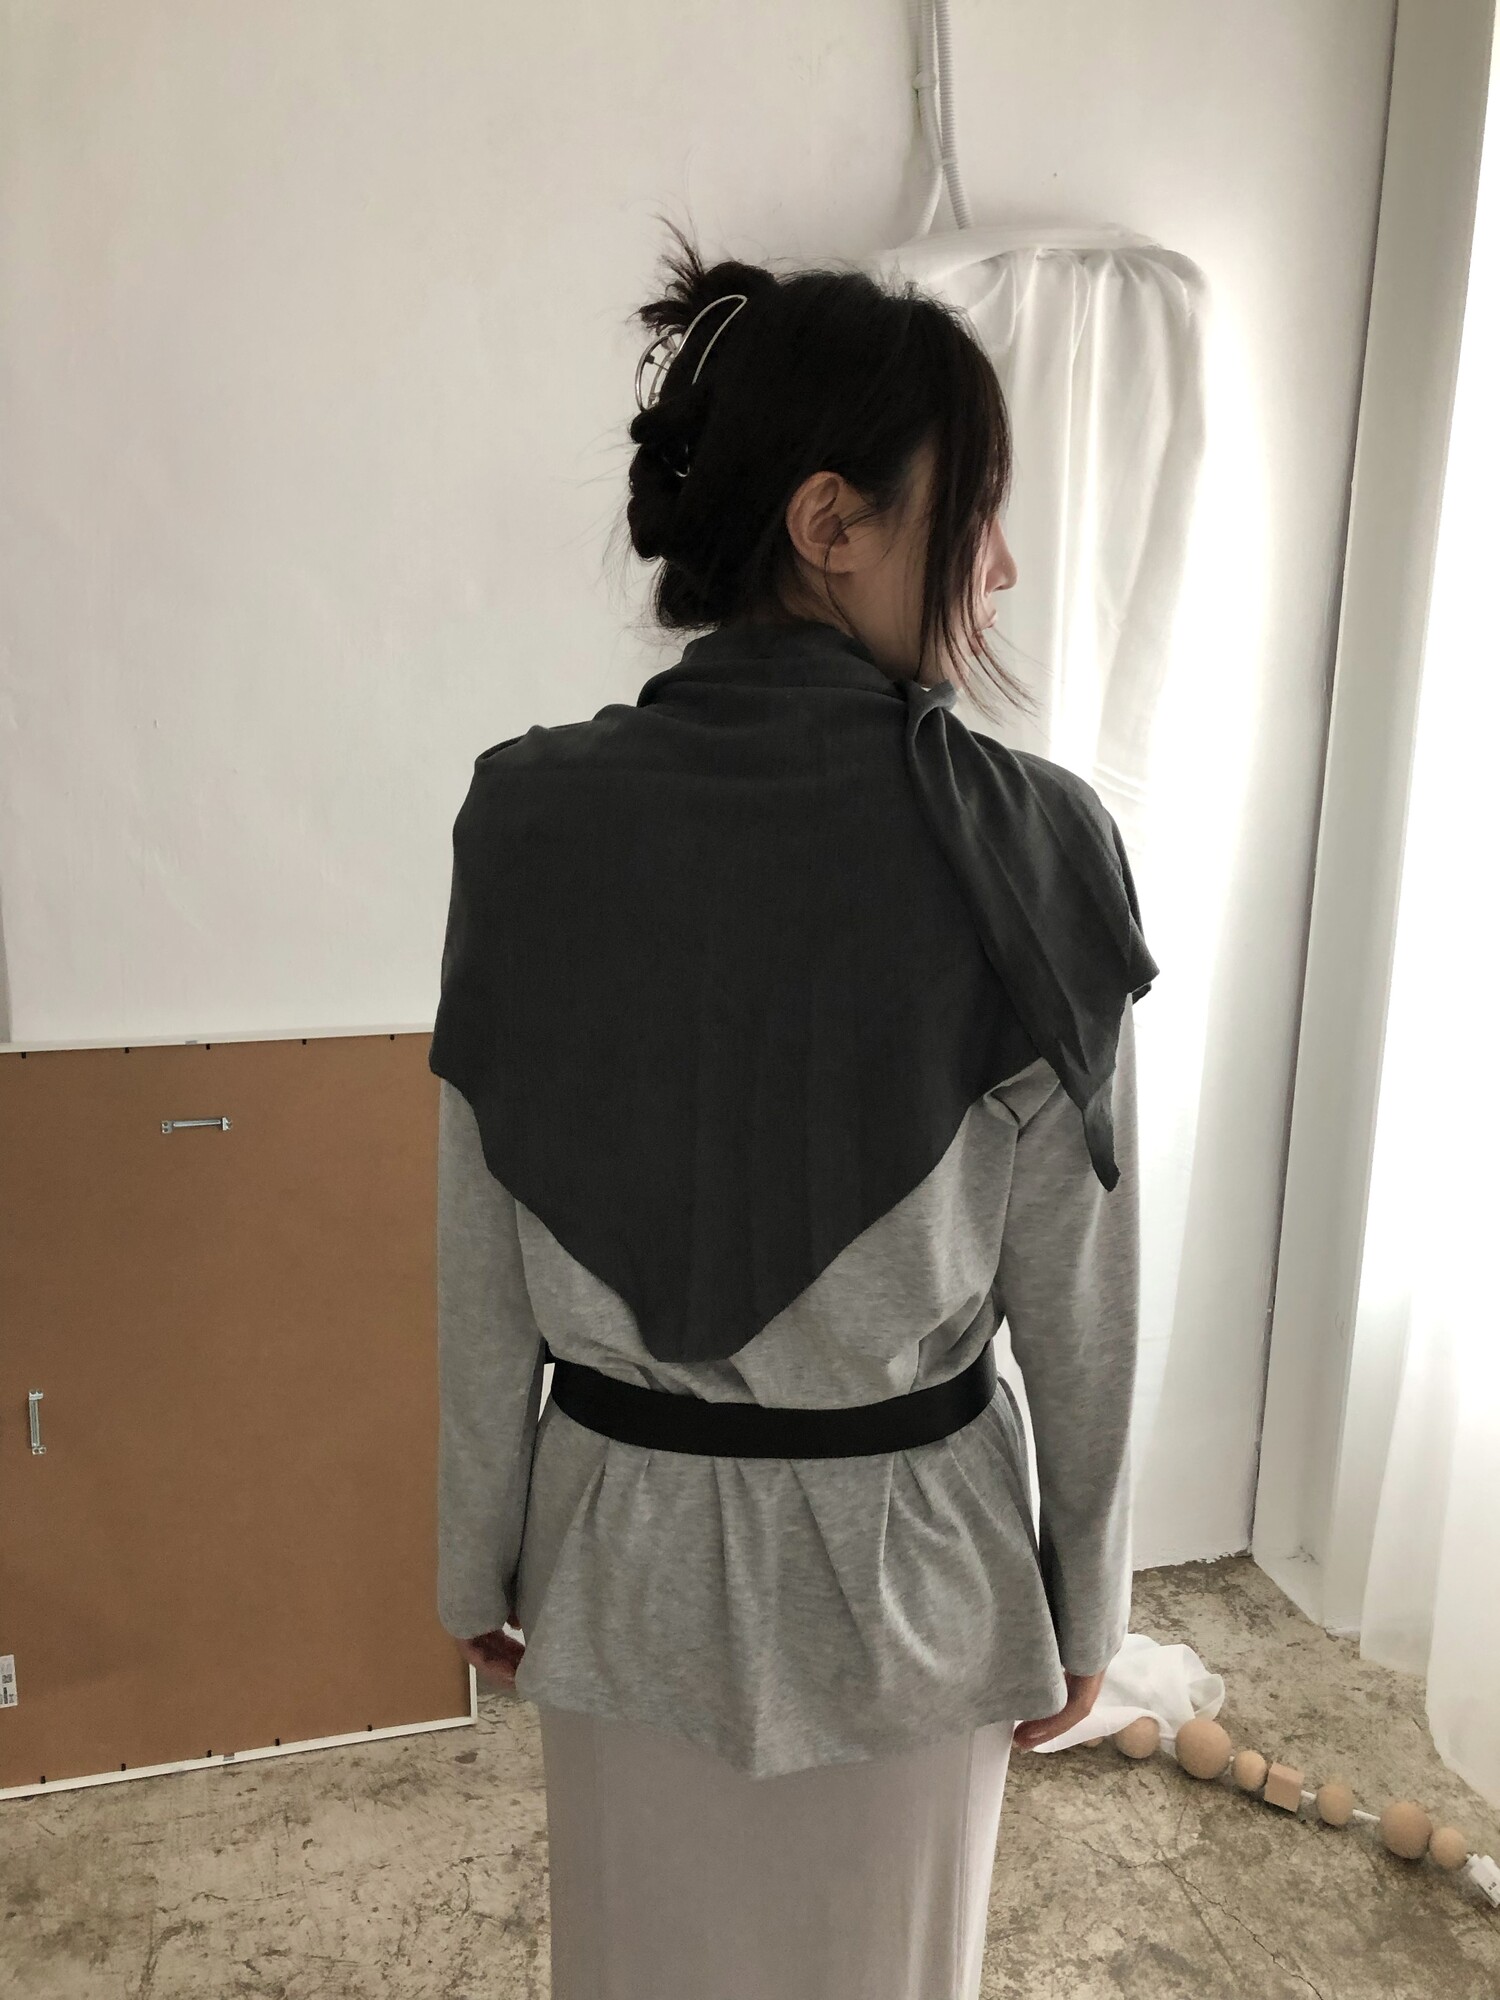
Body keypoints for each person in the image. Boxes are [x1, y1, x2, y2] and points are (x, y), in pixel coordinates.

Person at [431, 224, 1149, 2000]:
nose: (1000, 566)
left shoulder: (524, 821)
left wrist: (474, 1554)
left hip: (618, 1557)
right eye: (975, 511)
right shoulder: (1034, 844)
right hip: (916, 1584)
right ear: (832, 522)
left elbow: (480, 1238)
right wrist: (1091, 1593)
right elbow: (1078, 1292)